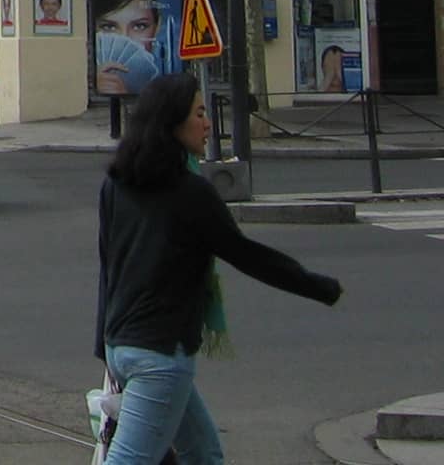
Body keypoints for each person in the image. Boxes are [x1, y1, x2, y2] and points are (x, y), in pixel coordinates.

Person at [94, 73, 343, 464]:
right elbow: (247, 255)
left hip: (122, 346)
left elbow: (109, 269)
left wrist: (105, 344)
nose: (208, 123)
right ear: (172, 123)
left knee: (203, 453)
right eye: (199, 113)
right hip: (160, 355)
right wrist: (316, 286)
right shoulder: (192, 193)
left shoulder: (117, 184)